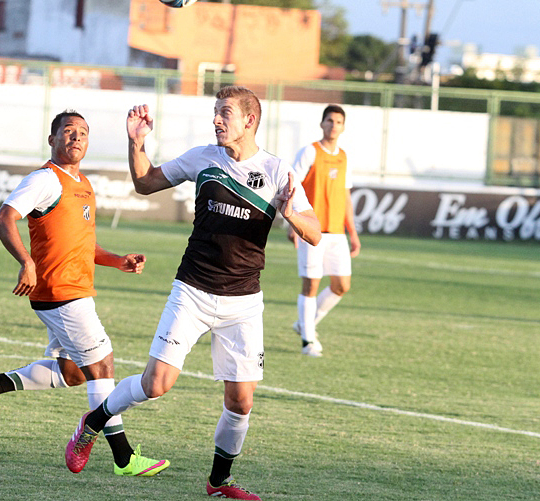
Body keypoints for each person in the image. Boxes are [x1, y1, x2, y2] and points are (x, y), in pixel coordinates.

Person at [64, 87, 321, 500]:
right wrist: (137, 143)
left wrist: (291, 215)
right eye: (215, 113)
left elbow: (314, 232)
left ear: (249, 120)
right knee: (156, 383)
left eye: (224, 113)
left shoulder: (277, 172)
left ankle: (219, 482)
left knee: (240, 402)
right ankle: (90, 424)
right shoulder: (203, 158)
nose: (216, 120)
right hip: (193, 291)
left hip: (243, 303)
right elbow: (146, 183)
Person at [0, 109, 169, 478]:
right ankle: (123, 457)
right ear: (53, 140)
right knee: (102, 366)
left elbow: (83, 244)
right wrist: (26, 262)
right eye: (68, 131)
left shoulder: (83, 184)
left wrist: (117, 261)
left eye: (83, 133)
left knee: (73, 372)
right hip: (61, 292)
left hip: (73, 290)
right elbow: (3, 218)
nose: (76, 137)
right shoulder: (45, 179)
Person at [288, 104, 361, 357]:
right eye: (329, 121)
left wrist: (353, 232)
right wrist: (293, 223)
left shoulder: (343, 157)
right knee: (311, 284)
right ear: (322, 124)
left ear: (343, 127)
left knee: (342, 285)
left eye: (338, 122)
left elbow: (345, 195)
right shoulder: (310, 152)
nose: (333, 125)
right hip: (312, 231)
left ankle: (305, 324)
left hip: (337, 233)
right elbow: (292, 187)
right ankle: (308, 341)